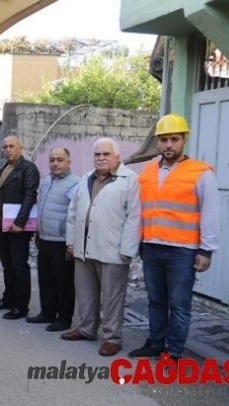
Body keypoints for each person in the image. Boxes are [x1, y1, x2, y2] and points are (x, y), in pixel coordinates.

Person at [128, 114, 219, 362]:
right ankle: (156, 344)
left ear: (184, 140)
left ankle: (173, 352)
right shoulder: (148, 172)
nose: (169, 144)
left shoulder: (200, 172)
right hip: (151, 247)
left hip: (183, 250)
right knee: (155, 300)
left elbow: (210, 212)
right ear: (158, 141)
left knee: (179, 304)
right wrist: (138, 243)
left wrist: (206, 250)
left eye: (174, 139)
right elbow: (139, 210)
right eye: (164, 139)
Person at [62, 137, 141, 357]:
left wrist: (127, 249)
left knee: (112, 297)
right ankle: (86, 329)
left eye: (106, 154)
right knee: (85, 294)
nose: (101, 158)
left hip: (112, 250)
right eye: (97, 154)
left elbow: (134, 217)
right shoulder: (86, 178)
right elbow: (73, 212)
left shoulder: (129, 179)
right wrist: (71, 242)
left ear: (117, 156)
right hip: (83, 248)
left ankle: (112, 338)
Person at [28, 147, 79, 332]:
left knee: (64, 282)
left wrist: (71, 242)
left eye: (60, 160)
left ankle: (64, 318)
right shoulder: (47, 181)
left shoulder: (75, 184)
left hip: (62, 241)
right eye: (52, 160)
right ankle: (47, 312)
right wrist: (38, 233)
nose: (55, 164)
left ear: (68, 162)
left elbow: (76, 215)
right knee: (46, 279)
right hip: (45, 238)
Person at [0, 135, 39, 320]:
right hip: (3, 224)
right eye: (5, 147)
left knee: (19, 266)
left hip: (17, 227)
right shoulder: (5, 168)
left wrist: (19, 222)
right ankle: (8, 299)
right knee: (7, 265)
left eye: (12, 146)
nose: (8, 149)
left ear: (20, 148)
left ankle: (21, 306)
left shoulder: (28, 168)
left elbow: (30, 195)